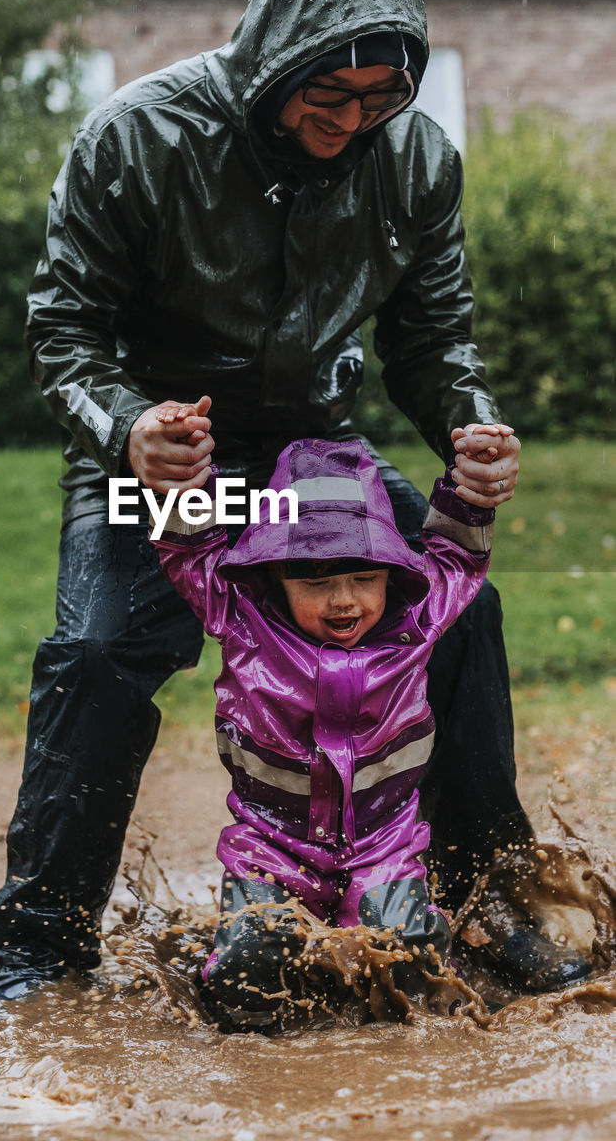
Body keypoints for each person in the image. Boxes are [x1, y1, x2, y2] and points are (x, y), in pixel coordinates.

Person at [0, 0, 588, 1014]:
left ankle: (482, 900)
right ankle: (42, 947)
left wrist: (469, 424)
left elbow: (433, 339)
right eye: (331, 92)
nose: (352, 120)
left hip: (319, 458)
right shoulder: (137, 135)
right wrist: (130, 427)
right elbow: (62, 326)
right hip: (168, 450)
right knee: (102, 646)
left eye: (379, 97)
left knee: (461, 614)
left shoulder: (415, 159)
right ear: (279, 54)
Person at [150, 432, 497, 1029]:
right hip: (272, 847)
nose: (344, 600)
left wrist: (471, 488)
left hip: (383, 845)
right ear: (275, 575)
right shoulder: (242, 617)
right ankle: (232, 1006)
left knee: (410, 964)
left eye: (365, 577)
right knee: (250, 972)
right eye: (314, 581)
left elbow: (459, 556)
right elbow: (187, 551)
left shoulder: (417, 620)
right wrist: (182, 481)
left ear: (392, 570)